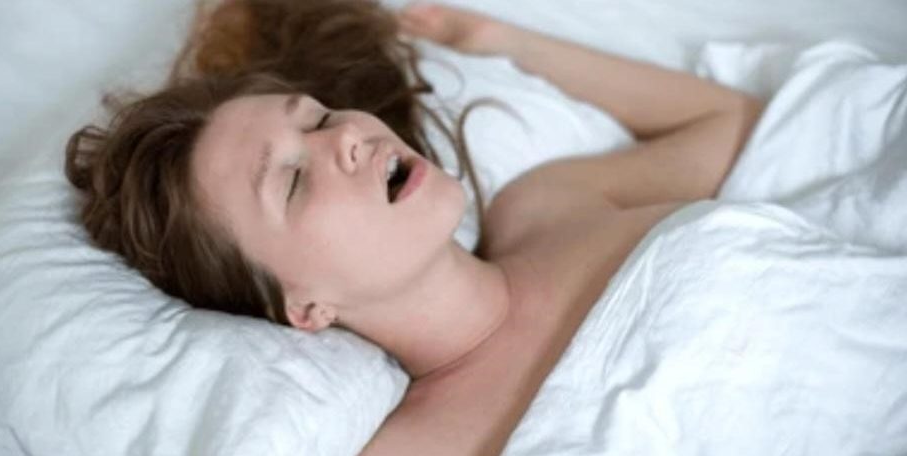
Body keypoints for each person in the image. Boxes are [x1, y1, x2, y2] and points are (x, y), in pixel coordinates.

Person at [64, 0, 764, 454]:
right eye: (294, 180)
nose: (348, 137)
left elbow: (733, 124)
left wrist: (501, 40)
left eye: (319, 117)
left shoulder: (546, 206)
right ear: (304, 308)